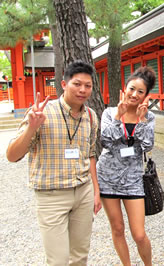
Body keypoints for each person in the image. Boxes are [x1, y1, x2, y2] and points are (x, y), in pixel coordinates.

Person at [6, 60, 102, 265]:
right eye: (77, 84)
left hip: (83, 191)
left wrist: (96, 190)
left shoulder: (91, 117)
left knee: (80, 256)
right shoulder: (42, 113)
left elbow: (91, 154)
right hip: (52, 195)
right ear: (64, 84)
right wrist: (31, 127)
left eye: (88, 85)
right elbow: (12, 156)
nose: (83, 90)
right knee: (58, 260)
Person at [96, 66, 156, 266]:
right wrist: (117, 117)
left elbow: (148, 145)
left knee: (139, 234)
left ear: (146, 96)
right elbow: (106, 141)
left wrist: (141, 121)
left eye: (141, 92)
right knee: (118, 228)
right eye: (132, 89)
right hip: (107, 178)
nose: (134, 94)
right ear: (124, 88)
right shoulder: (109, 112)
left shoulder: (149, 116)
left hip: (133, 179)